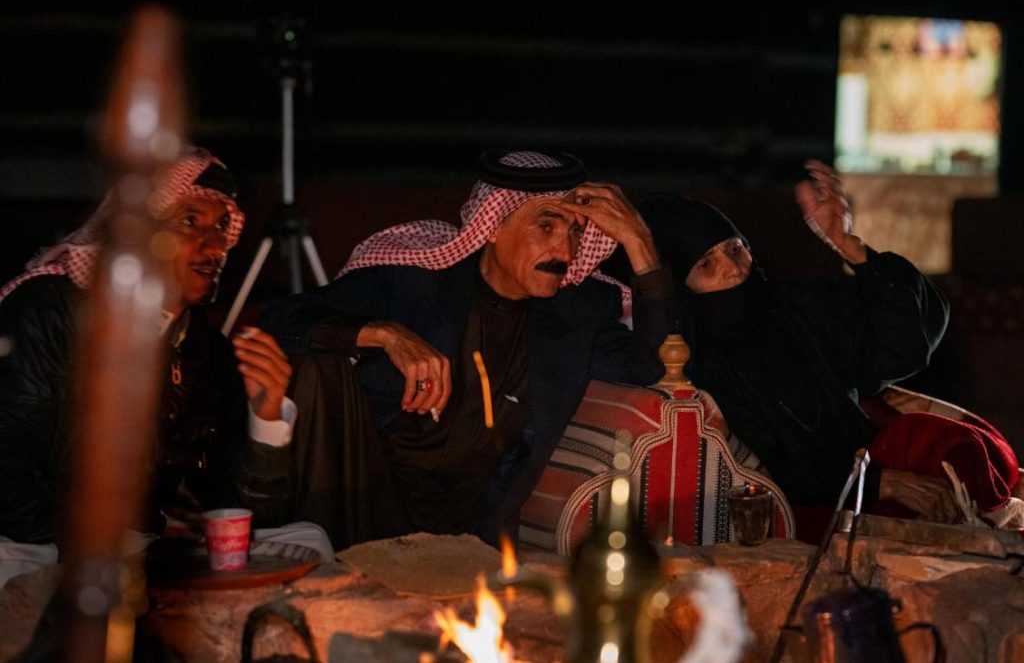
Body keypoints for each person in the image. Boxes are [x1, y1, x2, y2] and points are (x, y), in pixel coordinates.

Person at [261, 149, 671, 548]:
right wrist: (388, 335)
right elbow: (280, 321)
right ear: (492, 224)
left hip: (474, 531)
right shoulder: (412, 283)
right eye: (546, 226)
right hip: (368, 501)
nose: (565, 251)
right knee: (318, 370)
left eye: (576, 231)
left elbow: (652, 364)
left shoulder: (576, 313)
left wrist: (641, 243)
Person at [641, 159, 1022, 542]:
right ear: (684, 286)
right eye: (708, 265)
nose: (735, 270)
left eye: (736, 249)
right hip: (801, 508)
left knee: (958, 443)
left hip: (871, 465)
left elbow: (903, 345)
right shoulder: (697, 359)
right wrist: (875, 484)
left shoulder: (798, 306)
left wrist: (848, 245)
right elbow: (750, 469)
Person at [0, 146, 297, 561]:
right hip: (30, 543)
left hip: (133, 547)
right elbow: (8, 472)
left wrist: (266, 422)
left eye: (223, 227)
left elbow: (234, 513)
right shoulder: (49, 312)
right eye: (189, 221)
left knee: (307, 540)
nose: (215, 246)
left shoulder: (204, 347)